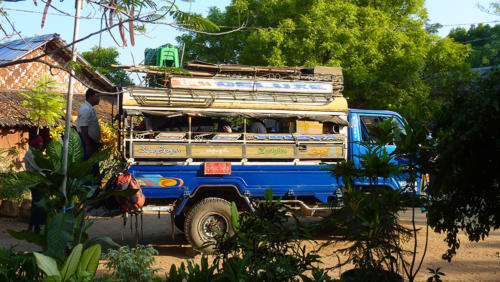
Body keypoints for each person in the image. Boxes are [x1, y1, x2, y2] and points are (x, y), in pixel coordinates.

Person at [77, 88, 101, 179]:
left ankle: (94, 190)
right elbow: (84, 128)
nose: (99, 98)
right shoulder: (85, 109)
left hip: (91, 142)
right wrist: (87, 145)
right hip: (87, 141)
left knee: (93, 167)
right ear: (90, 96)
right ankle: (88, 189)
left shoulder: (89, 108)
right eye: (97, 96)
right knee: (89, 168)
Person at [24, 135, 46, 234]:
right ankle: (32, 226)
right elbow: (38, 167)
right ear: (34, 143)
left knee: (37, 204)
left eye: (41, 142)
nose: (41, 144)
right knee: (37, 205)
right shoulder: (30, 153)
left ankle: (34, 227)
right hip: (35, 182)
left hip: (40, 182)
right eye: (39, 142)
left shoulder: (36, 153)